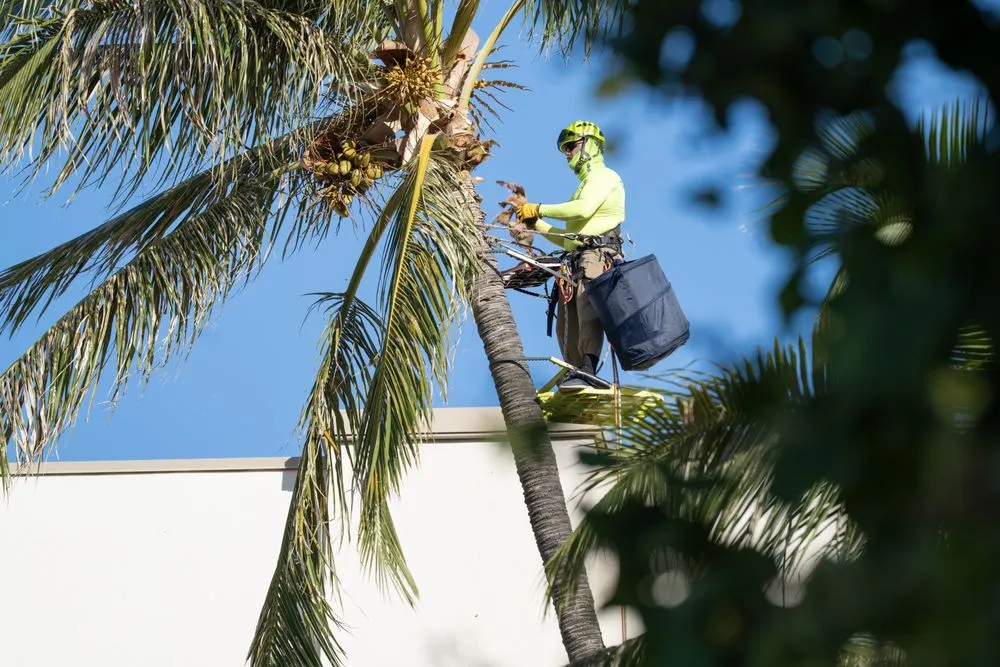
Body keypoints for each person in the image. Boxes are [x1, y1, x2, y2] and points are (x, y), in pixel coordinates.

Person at [509, 120, 626, 391]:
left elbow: (583, 210)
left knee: (589, 307)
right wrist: (534, 224)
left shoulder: (604, 177)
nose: (568, 153)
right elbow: (569, 240)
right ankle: (576, 370)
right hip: (576, 259)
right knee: (567, 319)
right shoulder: (584, 185)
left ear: (590, 146)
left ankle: (588, 367)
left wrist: (538, 209)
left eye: (571, 146)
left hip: (597, 256)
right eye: (565, 149)